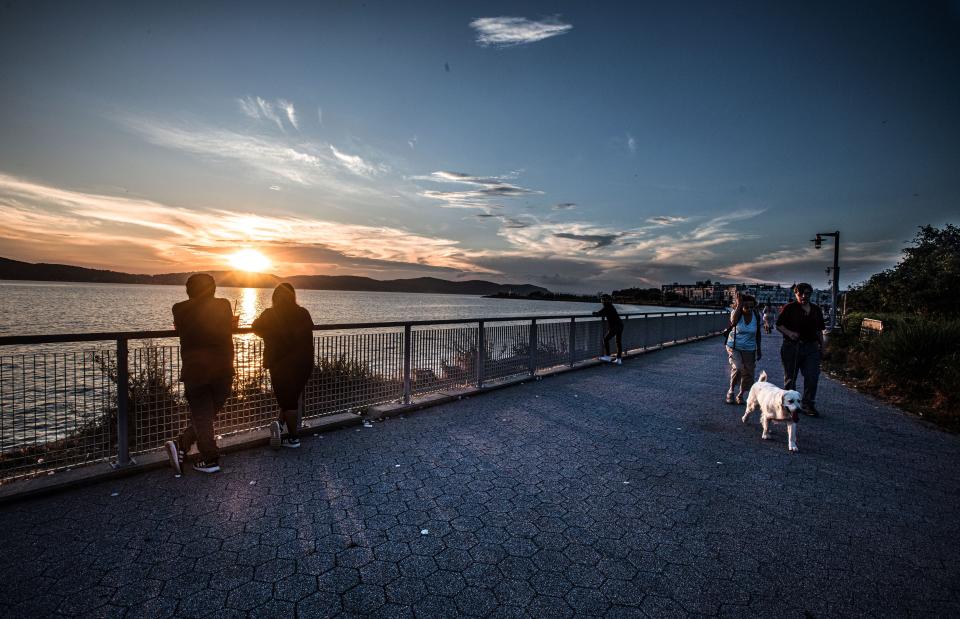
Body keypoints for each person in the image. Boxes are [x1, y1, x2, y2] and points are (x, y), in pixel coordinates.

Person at [165, 274, 235, 474]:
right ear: (212, 289)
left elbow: (180, 329)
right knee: (206, 414)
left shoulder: (179, 308)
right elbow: (228, 325)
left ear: (189, 290)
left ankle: (183, 443)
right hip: (223, 367)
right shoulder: (224, 304)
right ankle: (209, 457)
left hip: (196, 369)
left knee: (203, 415)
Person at [252, 283, 315, 449]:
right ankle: (280, 424)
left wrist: (268, 334)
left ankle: (294, 438)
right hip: (304, 363)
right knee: (291, 397)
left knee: (288, 401)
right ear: (293, 296)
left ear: (274, 298)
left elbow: (255, 327)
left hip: (281, 363)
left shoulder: (270, 314)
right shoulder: (303, 313)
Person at [776, 283, 825, 416]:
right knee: (790, 378)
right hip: (792, 347)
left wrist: (823, 347)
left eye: (807, 293)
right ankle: (788, 405)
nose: (804, 296)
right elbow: (779, 325)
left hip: (811, 347)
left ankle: (808, 404)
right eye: (801, 294)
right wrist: (790, 333)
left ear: (811, 294)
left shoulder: (816, 310)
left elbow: (819, 330)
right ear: (796, 294)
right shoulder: (789, 308)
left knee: (812, 376)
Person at [725, 293, 762, 404]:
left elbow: (758, 333)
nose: (750, 309)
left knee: (749, 373)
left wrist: (759, 349)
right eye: (747, 307)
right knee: (738, 367)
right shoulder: (736, 313)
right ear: (741, 306)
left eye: (752, 307)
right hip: (735, 346)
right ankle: (731, 391)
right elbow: (734, 322)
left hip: (750, 348)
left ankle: (740, 394)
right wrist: (739, 305)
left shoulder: (756, 315)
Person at [593, 294, 624, 364]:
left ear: (604, 300)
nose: (601, 301)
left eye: (602, 299)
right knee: (618, 341)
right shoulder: (610, 306)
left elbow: (599, 313)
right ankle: (619, 359)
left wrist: (594, 313)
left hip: (615, 326)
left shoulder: (607, 306)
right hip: (620, 325)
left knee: (606, 339)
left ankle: (607, 356)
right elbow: (603, 313)